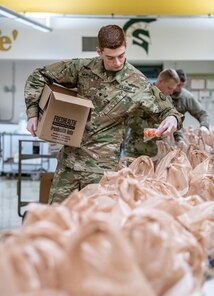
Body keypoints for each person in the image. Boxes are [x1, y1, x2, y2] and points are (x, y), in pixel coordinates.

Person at [24, 25, 183, 204]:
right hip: (68, 165)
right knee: (58, 218)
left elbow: (168, 110)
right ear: (99, 51)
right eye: (110, 57)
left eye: (121, 56)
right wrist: (32, 114)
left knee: (95, 224)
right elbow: (38, 76)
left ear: (126, 46)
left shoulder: (138, 83)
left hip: (101, 171)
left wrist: (171, 118)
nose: (117, 62)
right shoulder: (83, 69)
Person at [122, 68, 181, 158]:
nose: (171, 92)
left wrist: (178, 138)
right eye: (169, 88)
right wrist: (156, 133)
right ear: (161, 81)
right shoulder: (142, 95)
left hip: (158, 150)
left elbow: (171, 118)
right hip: (137, 150)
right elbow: (132, 121)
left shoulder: (167, 99)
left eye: (173, 89)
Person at [172, 69, 210, 143]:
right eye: (178, 85)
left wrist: (204, 126)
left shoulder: (187, 97)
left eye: (182, 85)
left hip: (178, 134)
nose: (180, 88)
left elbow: (202, 114)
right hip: (160, 132)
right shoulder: (163, 94)